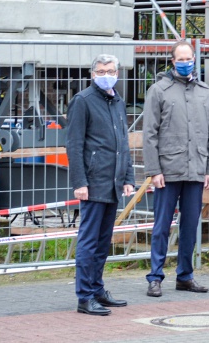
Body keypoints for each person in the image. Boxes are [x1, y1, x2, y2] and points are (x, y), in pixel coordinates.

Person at [143, 41, 209, 296]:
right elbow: (150, 134)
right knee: (161, 225)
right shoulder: (159, 90)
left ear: (195, 59)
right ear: (172, 61)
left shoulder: (205, 92)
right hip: (168, 169)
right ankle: (155, 277)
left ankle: (185, 276)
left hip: (196, 169)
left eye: (190, 58)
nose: (186, 63)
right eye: (181, 59)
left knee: (189, 226)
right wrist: (154, 170)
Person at [67, 54, 135, 315]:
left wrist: (128, 177)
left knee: (103, 240)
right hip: (93, 182)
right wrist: (80, 182)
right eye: (101, 70)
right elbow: (74, 144)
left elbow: (123, 145)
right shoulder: (83, 101)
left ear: (117, 72)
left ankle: (96, 289)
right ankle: (84, 296)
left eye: (110, 70)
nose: (106, 74)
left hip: (113, 183)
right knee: (89, 241)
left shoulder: (117, 101)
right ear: (92, 74)